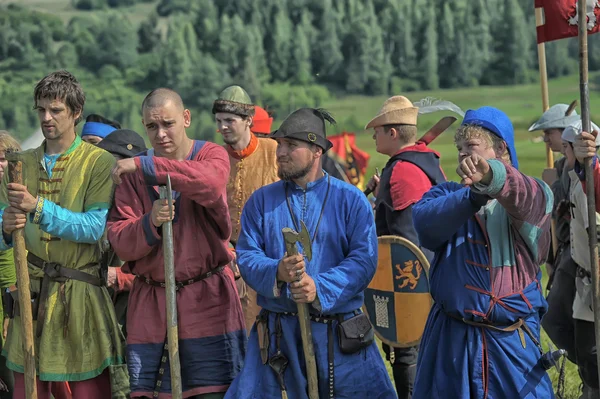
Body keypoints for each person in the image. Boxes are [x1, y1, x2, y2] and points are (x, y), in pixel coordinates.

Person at [224, 108, 396, 399]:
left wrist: (319, 287)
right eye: (280, 144)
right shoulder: (262, 201)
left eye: (291, 145)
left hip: (340, 336)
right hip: (280, 336)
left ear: (316, 150)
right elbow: (248, 253)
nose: (280, 152)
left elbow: (363, 260)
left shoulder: (351, 200)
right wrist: (277, 270)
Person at [107, 88, 246, 399]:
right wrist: (150, 222)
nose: (160, 134)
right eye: (152, 127)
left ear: (186, 118)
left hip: (208, 300)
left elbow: (209, 183)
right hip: (153, 304)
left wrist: (146, 167)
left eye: (168, 124)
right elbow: (120, 241)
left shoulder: (211, 154)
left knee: (215, 391)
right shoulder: (130, 175)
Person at [0, 70, 128, 399]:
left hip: (80, 295)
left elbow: (94, 228)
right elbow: (5, 221)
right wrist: (5, 224)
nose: (46, 117)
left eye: (55, 110)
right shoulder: (19, 163)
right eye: (41, 109)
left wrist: (37, 207)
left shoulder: (98, 162)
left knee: (87, 392)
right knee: (30, 393)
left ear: (75, 112)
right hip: (30, 294)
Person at [411, 106, 555, 398]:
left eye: (472, 146)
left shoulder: (533, 193)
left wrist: (492, 179)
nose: (464, 154)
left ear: (501, 148)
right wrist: (473, 196)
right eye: (460, 148)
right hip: (452, 341)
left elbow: (525, 197)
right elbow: (425, 224)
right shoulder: (445, 194)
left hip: (512, 343)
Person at [363, 95, 446, 399]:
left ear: (393, 133)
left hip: (412, 285)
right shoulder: (426, 162)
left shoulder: (400, 172)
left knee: (407, 354)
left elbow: (405, 241)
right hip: (435, 276)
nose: (373, 135)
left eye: (378, 130)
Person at [213, 86, 279, 332]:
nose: (223, 127)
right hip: (226, 263)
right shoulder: (214, 157)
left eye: (229, 120)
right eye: (219, 121)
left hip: (270, 259)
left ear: (248, 121)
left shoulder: (274, 152)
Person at [528, 104, 581, 366]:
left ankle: (590, 374)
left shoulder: (584, 166)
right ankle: (588, 373)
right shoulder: (561, 165)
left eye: (550, 132)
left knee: (556, 317)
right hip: (565, 251)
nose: (546, 139)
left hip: (579, 251)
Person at [560, 121, 600, 399]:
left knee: (592, 356)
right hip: (585, 276)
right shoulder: (577, 178)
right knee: (588, 355)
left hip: (596, 277)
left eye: (567, 147)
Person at [96, 129, 148, 338]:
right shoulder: (98, 207)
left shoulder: (149, 210)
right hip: (99, 309)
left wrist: (118, 277)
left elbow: (166, 273)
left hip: (135, 311)